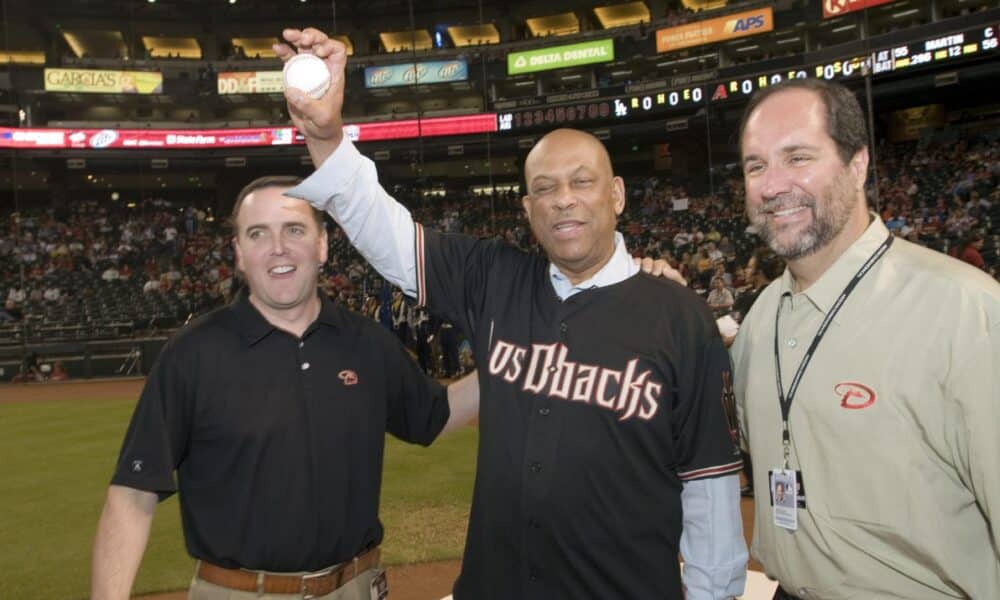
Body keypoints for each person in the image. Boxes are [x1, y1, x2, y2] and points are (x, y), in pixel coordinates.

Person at [277, 27, 746, 600]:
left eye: (582, 182)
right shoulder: (497, 277)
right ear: (527, 208)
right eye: (544, 188)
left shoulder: (679, 316)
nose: (563, 199)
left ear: (617, 195)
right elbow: (389, 235)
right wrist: (326, 135)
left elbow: (711, 495)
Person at [91, 176, 478, 600]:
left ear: (323, 245)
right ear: (239, 254)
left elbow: (433, 416)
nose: (278, 247)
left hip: (357, 587)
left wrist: (513, 362)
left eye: (294, 229)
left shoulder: (366, 342)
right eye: (258, 233)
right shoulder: (192, 354)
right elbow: (132, 495)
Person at [731, 78, 1000, 599]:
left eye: (798, 157)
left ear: (857, 165)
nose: (772, 185)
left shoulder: (966, 310)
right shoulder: (762, 316)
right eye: (756, 165)